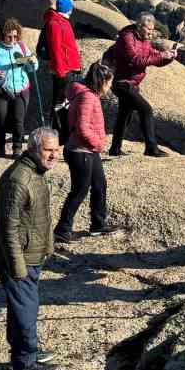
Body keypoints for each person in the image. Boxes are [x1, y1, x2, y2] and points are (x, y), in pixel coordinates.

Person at [0, 127, 63, 370]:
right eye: (48, 150)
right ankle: (25, 365)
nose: (54, 155)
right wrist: (17, 267)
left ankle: (25, 352)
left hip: (32, 254)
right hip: (17, 259)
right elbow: (6, 229)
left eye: (56, 149)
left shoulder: (37, 172)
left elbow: (40, 217)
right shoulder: (18, 180)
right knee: (26, 310)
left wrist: (48, 246)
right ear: (33, 149)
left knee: (22, 308)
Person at [55, 62, 116, 242]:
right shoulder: (88, 97)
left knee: (99, 185)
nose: (110, 86)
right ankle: (62, 229)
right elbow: (82, 127)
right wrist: (97, 143)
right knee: (79, 190)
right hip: (80, 150)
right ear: (102, 81)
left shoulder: (85, 94)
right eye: (109, 82)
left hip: (88, 150)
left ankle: (98, 224)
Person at [108, 13, 177, 157]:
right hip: (122, 83)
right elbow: (135, 60)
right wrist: (161, 56)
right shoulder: (126, 37)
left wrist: (169, 57)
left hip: (132, 83)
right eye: (149, 29)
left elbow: (154, 57)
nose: (151, 33)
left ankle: (115, 149)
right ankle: (151, 147)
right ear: (139, 26)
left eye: (152, 30)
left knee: (124, 116)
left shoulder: (144, 40)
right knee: (146, 110)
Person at [0, 19, 37, 158]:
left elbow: (31, 66)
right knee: (0, 121)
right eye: (9, 36)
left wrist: (33, 62)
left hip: (21, 89)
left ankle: (17, 149)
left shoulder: (21, 47)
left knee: (18, 120)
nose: (13, 39)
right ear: (2, 35)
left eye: (15, 36)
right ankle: (0, 149)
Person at [38, 0, 82, 130]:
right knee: (59, 100)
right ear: (68, 8)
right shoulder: (55, 23)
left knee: (65, 100)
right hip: (62, 69)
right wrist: (60, 71)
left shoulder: (61, 21)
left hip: (67, 67)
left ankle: (61, 128)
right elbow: (56, 49)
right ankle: (56, 129)